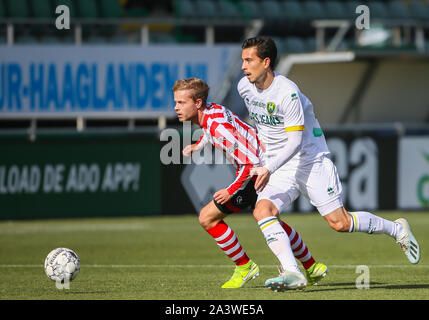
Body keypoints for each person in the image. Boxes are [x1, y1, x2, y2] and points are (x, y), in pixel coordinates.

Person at [237, 36, 421, 291]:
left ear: (266, 62)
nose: (244, 66)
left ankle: (396, 229)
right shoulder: (244, 87)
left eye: (249, 60)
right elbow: (264, 127)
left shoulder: (287, 92)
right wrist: (264, 159)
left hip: (310, 160)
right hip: (280, 165)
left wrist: (268, 166)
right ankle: (293, 273)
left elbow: (295, 141)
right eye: (243, 60)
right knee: (263, 210)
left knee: (340, 223)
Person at [172, 77, 328, 290]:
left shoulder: (218, 127)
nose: (176, 107)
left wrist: (230, 190)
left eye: (181, 102)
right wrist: (199, 146)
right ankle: (312, 266)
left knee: (207, 218)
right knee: (273, 223)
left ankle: (245, 266)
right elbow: (213, 130)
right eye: (176, 102)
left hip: (255, 171)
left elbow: (249, 164)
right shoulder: (211, 111)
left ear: (197, 103)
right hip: (262, 164)